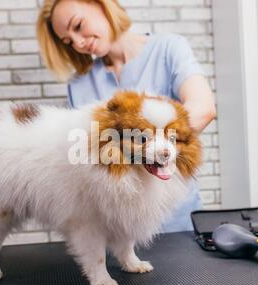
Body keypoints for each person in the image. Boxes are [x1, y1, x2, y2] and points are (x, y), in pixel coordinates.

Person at [36, 0, 216, 232]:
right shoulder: (79, 85)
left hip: (176, 220)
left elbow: (203, 108)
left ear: (101, 5)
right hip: (112, 225)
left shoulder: (169, 49)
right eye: (69, 41)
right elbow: (81, 155)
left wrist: (144, 144)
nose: (79, 42)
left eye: (78, 25)